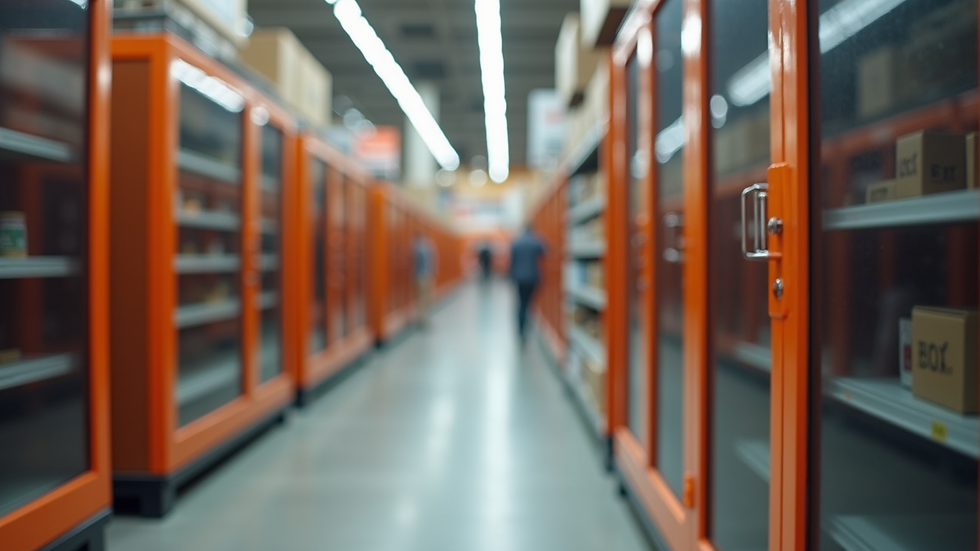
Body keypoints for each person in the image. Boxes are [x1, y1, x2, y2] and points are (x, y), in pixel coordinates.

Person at [509, 226, 546, 345]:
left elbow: (512, 260)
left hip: (518, 278)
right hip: (532, 277)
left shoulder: (516, 243)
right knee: (529, 303)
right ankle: (527, 326)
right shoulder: (535, 241)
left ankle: (520, 329)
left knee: (521, 303)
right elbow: (545, 251)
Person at [413, 233, 436, 326]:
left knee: (422, 298)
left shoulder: (416, 247)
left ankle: (422, 318)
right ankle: (423, 318)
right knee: (425, 298)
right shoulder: (428, 247)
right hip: (427, 275)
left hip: (419, 276)